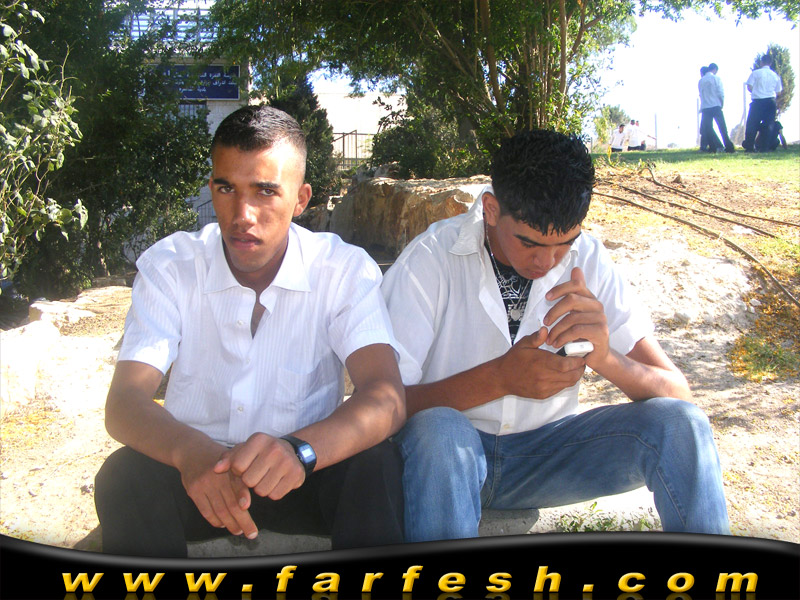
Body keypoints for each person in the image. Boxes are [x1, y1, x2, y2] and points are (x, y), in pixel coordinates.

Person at [384, 129, 730, 542]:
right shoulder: (430, 259)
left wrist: (605, 357)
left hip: (549, 457)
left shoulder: (590, 259)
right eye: (529, 243)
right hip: (448, 457)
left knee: (682, 426)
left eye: (565, 243)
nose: (547, 261)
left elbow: (678, 395)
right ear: (491, 210)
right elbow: (381, 405)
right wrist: (498, 379)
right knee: (440, 430)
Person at [94, 105, 406, 557]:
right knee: (123, 477)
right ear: (212, 189)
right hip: (198, 476)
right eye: (227, 188)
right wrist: (190, 452)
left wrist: (302, 451)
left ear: (301, 199)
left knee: (375, 466)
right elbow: (124, 402)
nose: (242, 214)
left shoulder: (342, 270)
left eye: (265, 191)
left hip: (303, 472)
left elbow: (386, 396)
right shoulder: (172, 267)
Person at [743, 54, 783, 152]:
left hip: (757, 101)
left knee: (752, 124)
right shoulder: (775, 76)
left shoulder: (756, 73)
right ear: (770, 63)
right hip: (770, 101)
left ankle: (750, 147)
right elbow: (778, 92)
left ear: (761, 62)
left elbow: (749, 86)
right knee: (768, 125)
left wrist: (756, 92)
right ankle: (765, 147)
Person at [698, 63, 735, 153]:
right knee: (722, 128)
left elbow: (701, 94)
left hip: (706, 107)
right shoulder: (716, 78)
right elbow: (720, 93)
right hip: (716, 105)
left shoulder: (701, 81)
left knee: (708, 129)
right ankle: (729, 147)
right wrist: (721, 104)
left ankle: (712, 148)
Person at [697, 66, 722, 152]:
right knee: (707, 128)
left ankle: (713, 146)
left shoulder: (702, 81)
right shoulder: (713, 79)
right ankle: (715, 145)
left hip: (707, 107)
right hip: (714, 105)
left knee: (706, 128)